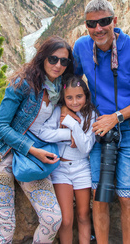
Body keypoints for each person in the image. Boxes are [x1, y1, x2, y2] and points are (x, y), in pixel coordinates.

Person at [70, 0, 130, 244]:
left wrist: (116, 117)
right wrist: (69, 115)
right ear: (86, 26)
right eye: (92, 24)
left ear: (114, 22)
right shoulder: (82, 47)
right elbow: (72, 84)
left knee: (126, 195)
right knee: (99, 194)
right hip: (99, 124)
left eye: (104, 22)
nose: (98, 29)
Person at [0, 36, 74, 244]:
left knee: (53, 219)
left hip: (30, 159)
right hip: (1, 153)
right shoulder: (23, 83)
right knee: (4, 227)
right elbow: (0, 126)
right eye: (53, 59)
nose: (58, 65)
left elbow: (76, 97)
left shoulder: (59, 86)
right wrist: (32, 149)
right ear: (42, 58)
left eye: (64, 61)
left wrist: (67, 112)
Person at [38, 75, 97, 244]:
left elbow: (85, 147)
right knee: (66, 219)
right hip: (61, 169)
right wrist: (68, 134)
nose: (74, 102)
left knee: (83, 215)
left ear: (86, 95)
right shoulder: (58, 112)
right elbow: (44, 133)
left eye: (79, 96)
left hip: (82, 168)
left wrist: (72, 124)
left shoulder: (91, 115)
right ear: (64, 98)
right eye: (69, 98)